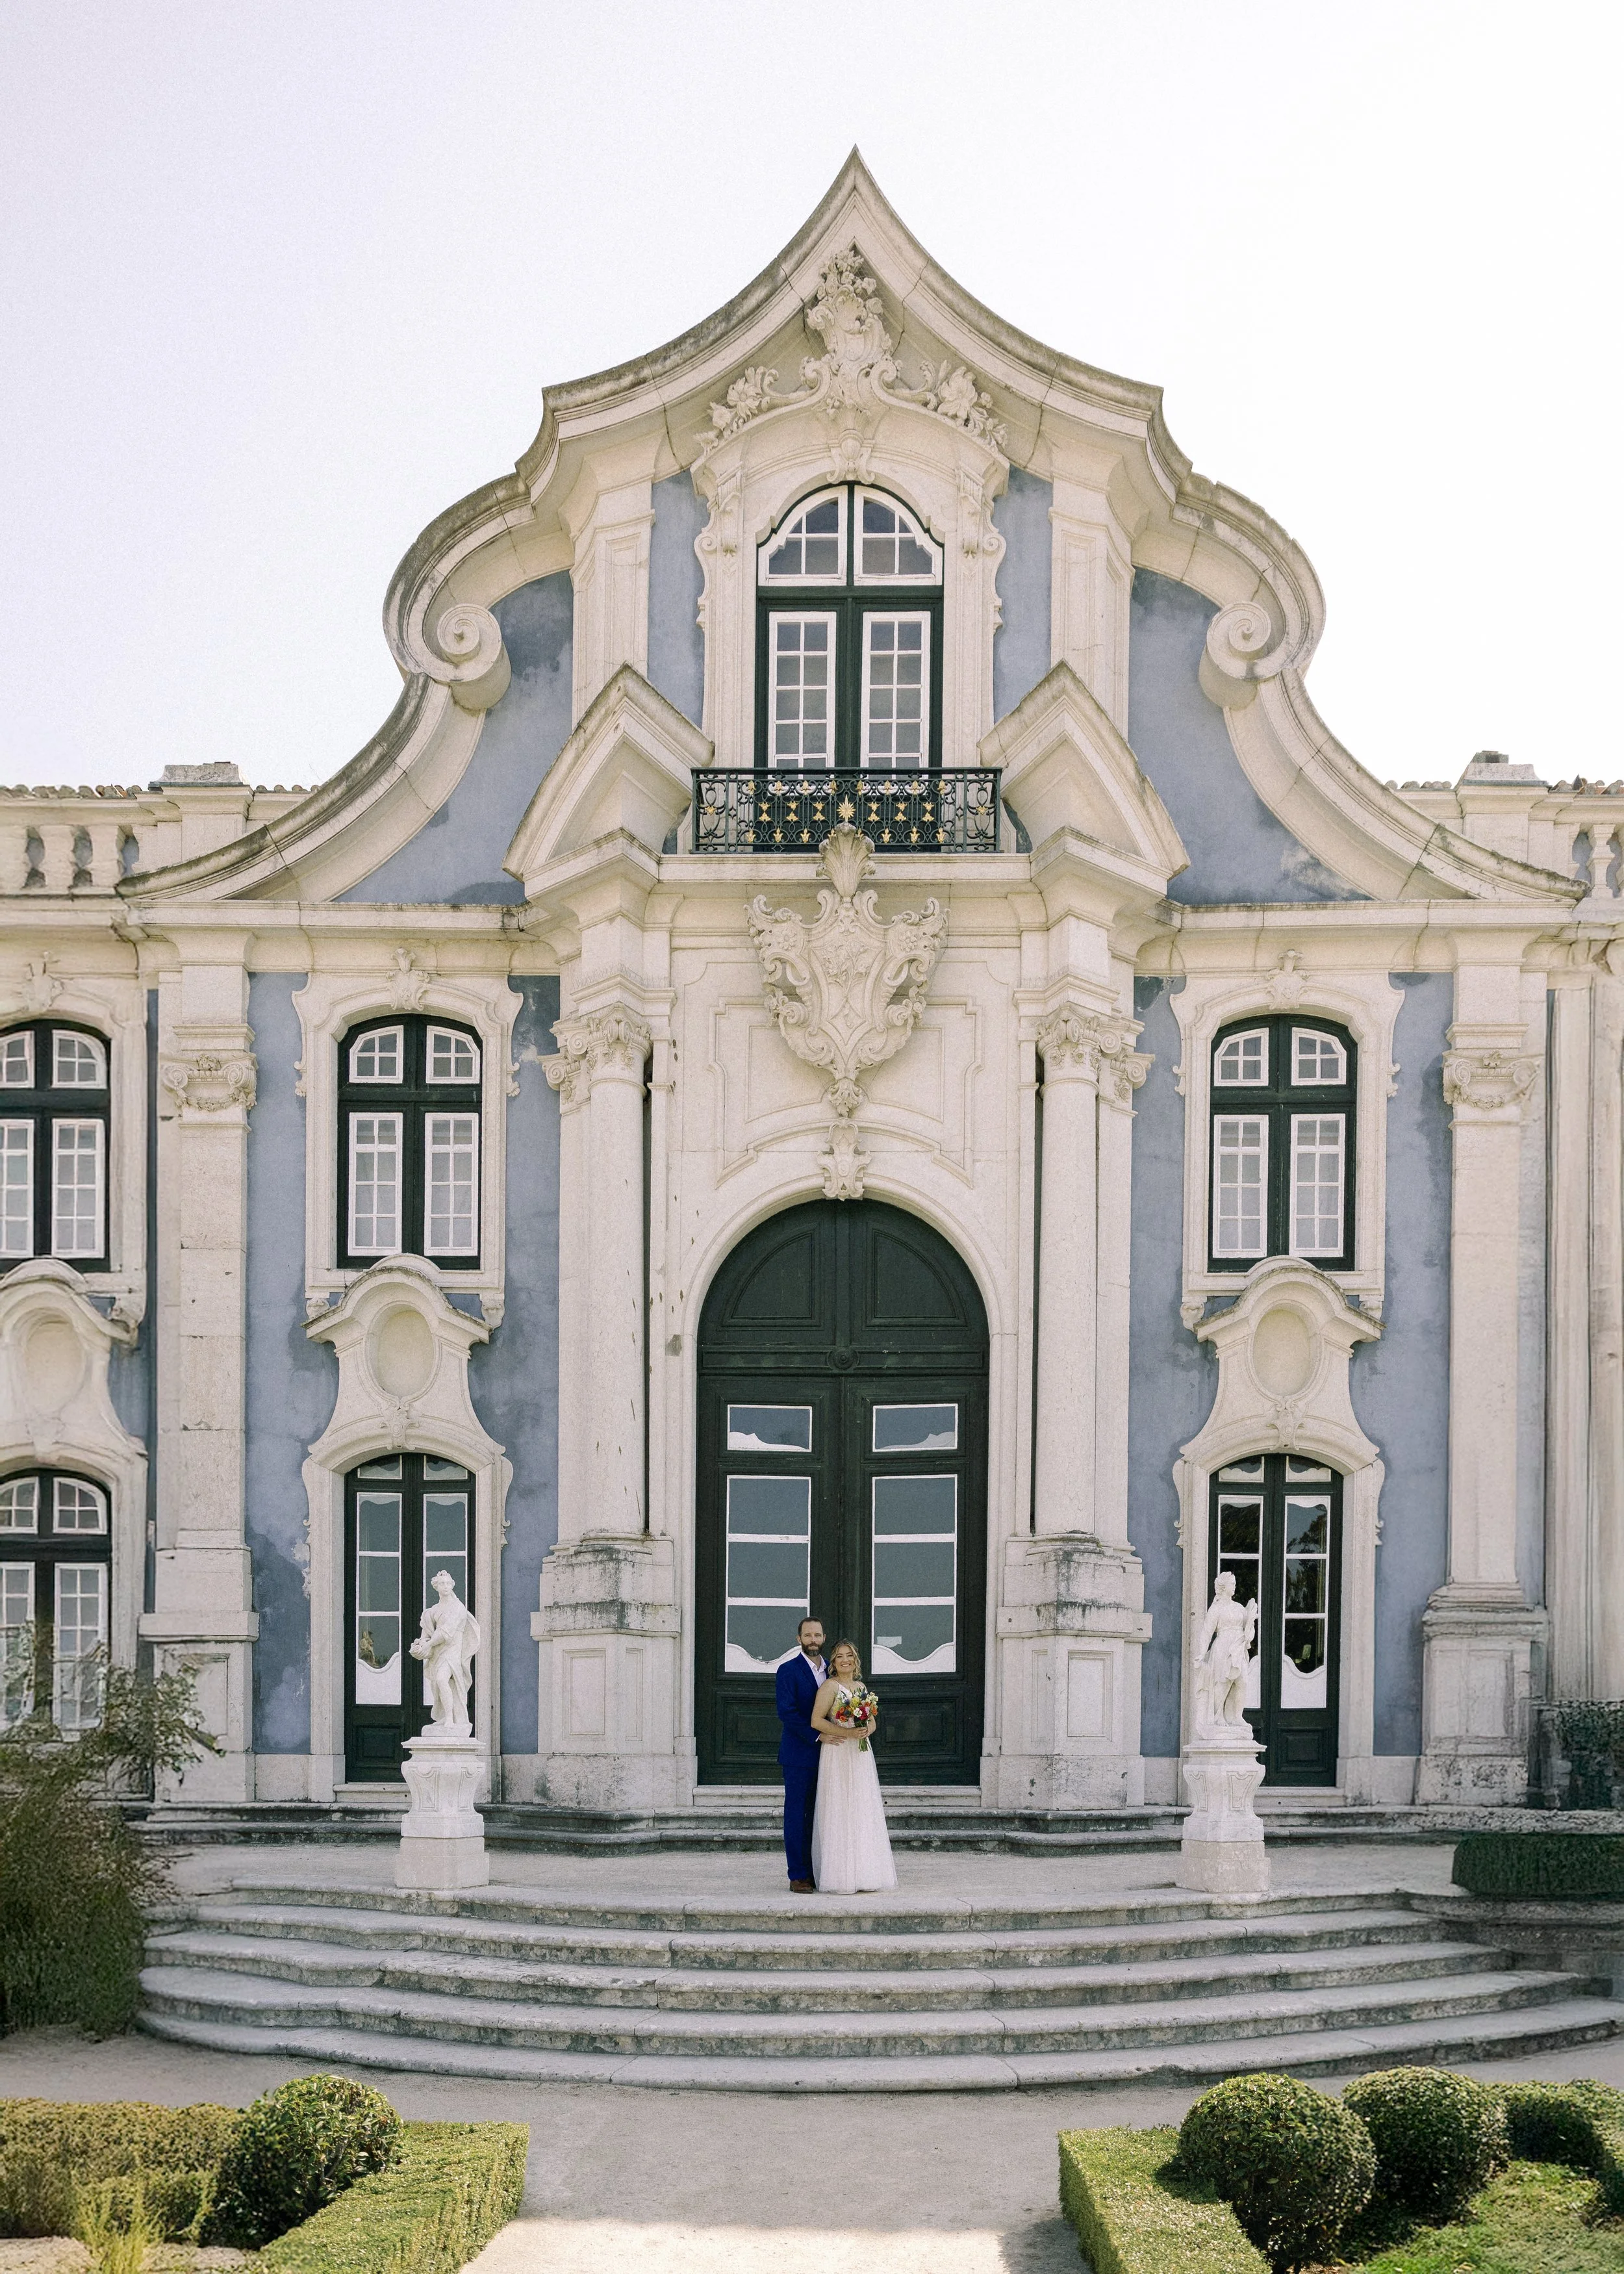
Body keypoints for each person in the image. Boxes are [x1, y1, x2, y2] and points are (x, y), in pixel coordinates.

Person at [809, 1639, 897, 1893]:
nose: (845, 1660)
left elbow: (870, 1720)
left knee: (862, 1807)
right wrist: (846, 1733)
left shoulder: (860, 1686)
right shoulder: (829, 1687)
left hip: (860, 1754)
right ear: (833, 1662)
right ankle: (840, 1877)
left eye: (849, 1655)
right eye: (839, 1657)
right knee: (840, 1808)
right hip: (837, 1751)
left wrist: (869, 1727)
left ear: (855, 1660)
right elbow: (816, 1721)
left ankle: (865, 1873)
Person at [775, 1615, 827, 1891]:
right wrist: (818, 1735)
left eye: (817, 1635)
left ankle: (821, 1869)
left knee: (825, 1814)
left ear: (824, 1638)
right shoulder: (788, 1670)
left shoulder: (833, 1670)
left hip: (832, 1757)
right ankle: (798, 1875)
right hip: (799, 1756)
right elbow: (787, 1713)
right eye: (808, 1636)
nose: (813, 1641)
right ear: (799, 1639)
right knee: (797, 1816)